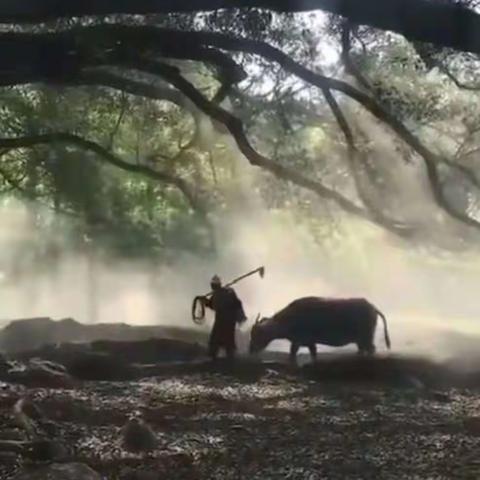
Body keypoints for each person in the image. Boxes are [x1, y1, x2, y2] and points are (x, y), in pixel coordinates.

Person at [203, 275, 246, 362]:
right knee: (229, 341)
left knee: (215, 341)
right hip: (230, 321)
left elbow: (214, 305)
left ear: (213, 286)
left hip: (222, 321)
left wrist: (206, 302)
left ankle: (214, 359)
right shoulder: (228, 292)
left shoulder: (218, 294)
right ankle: (230, 358)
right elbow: (237, 303)